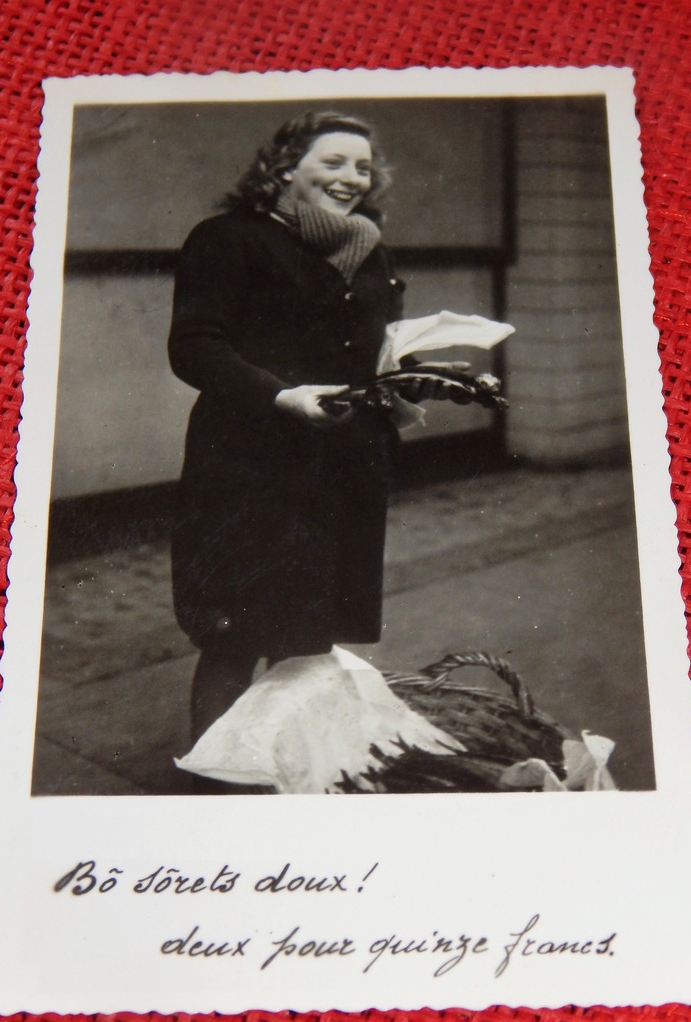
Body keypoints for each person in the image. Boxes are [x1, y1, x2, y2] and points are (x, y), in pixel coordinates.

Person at [168, 111, 406, 749]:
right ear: (285, 168)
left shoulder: (369, 248)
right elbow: (194, 347)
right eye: (333, 162)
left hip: (339, 465)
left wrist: (401, 376)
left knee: (308, 639)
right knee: (235, 636)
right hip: (251, 466)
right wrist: (282, 395)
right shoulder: (227, 239)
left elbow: (376, 346)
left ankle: (285, 772)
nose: (351, 177)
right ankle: (213, 787)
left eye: (362, 166)